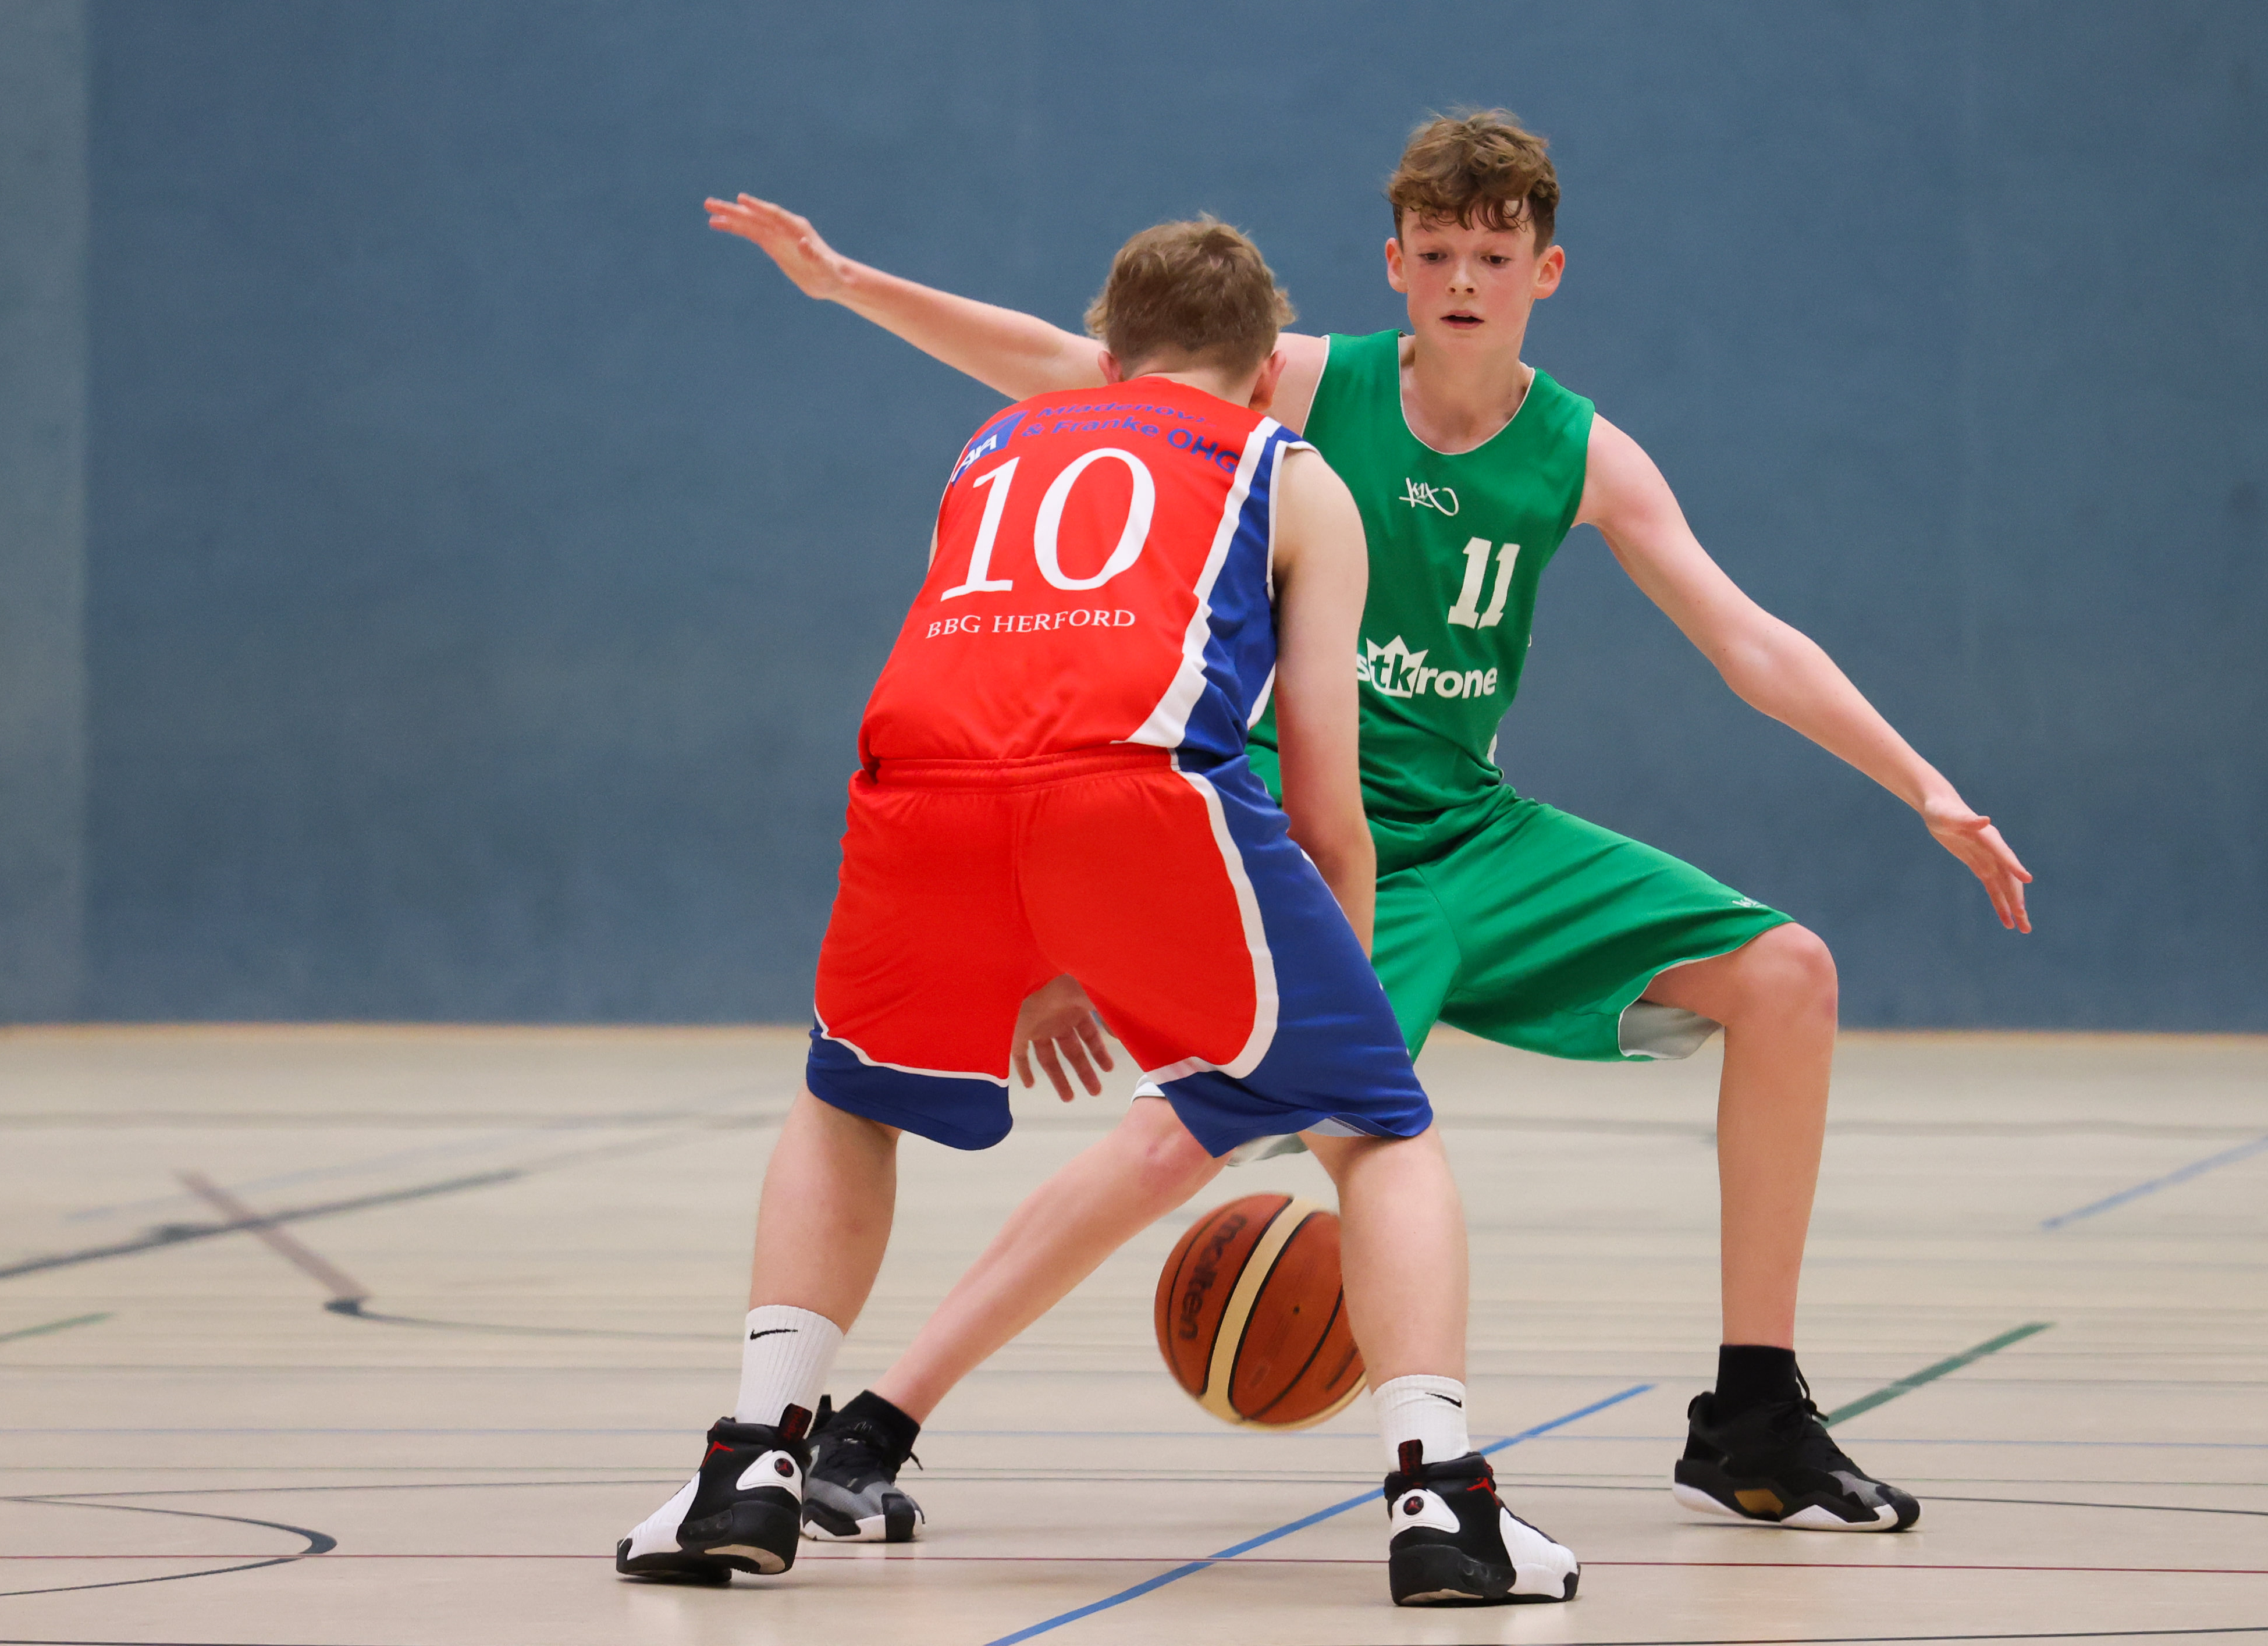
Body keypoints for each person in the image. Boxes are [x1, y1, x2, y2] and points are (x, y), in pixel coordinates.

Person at [705, 108, 2034, 1541]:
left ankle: (1754, 1409)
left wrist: (1921, 781)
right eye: (1437, 251)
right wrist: (850, 283)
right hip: (1305, 835)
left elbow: (1746, 637)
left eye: (1494, 256)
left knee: (1788, 975)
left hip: (1474, 831)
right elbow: (1073, 368)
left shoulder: (1584, 452)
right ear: (1393, 264)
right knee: (1181, 1140)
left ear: (1546, 272)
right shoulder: (1297, 381)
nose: (1464, 278)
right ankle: (877, 1420)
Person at [617, 217, 1580, 1607]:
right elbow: (1325, 801)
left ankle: (750, 1460)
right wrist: (1350, 1021)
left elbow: (1007, 705)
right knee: (1381, 1131)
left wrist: (1031, 940)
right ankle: (1443, 1502)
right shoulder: (1293, 472)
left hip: (917, 790)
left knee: (845, 1099)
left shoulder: (994, 447)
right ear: (1267, 371)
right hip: (1143, 788)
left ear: (1109, 354)